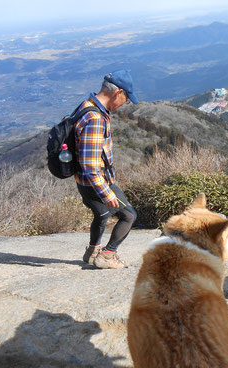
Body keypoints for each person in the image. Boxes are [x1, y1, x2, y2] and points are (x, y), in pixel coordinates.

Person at [74, 70, 139, 269]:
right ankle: (108, 255)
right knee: (129, 216)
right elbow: (91, 166)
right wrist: (106, 192)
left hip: (83, 181)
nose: (124, 103)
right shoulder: (95, 118)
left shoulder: (88, 105)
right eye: (126, 98)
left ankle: (92, 252)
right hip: (95, 181)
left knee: (102, 214)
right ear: (118, 92)